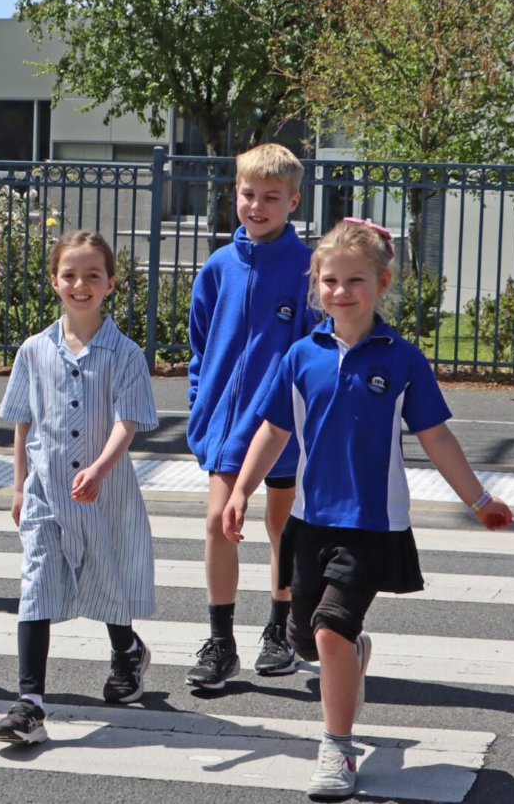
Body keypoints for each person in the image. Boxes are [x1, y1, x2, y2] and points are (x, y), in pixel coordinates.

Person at [222, 217, 514, 801]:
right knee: (306, 641)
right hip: (309, 522)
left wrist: (479, 499)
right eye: (330, 280)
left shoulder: (402, 359)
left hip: (372, 526)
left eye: (355, 280)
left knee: (330, 629)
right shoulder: (301, 356)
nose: (341, 291)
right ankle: (354, 654)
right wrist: (241, 490)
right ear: (316, 286)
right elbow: (274, 430)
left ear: (381, 283)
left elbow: (436, 436)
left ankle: (337, 747)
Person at [0, 231, 160, 746]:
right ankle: (30, 703)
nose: (80, 284)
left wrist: (101, 468)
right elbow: (22, 420)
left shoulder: (125, 354)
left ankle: (127, 651)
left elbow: (128, 421)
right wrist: (19, 486)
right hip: (46, 492)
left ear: (111, 283)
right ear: (53, 281)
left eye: (92, 275)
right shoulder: (33, 350)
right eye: (69, 274)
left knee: (105, 579)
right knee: (37, 585)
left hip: (103, 494)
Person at [185, 143, 317, 689]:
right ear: (234, 195)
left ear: (293, 201)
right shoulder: (218, 267)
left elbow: (316, 351)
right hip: (227, 426)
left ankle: (280, 629)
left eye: (271, 197)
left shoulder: (308, 269)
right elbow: (199, 345)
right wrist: (201, 402)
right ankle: (220, 641)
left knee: (281, 526)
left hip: (284, 428)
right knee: (219, 522)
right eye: (248, 194)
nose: (257, 206)